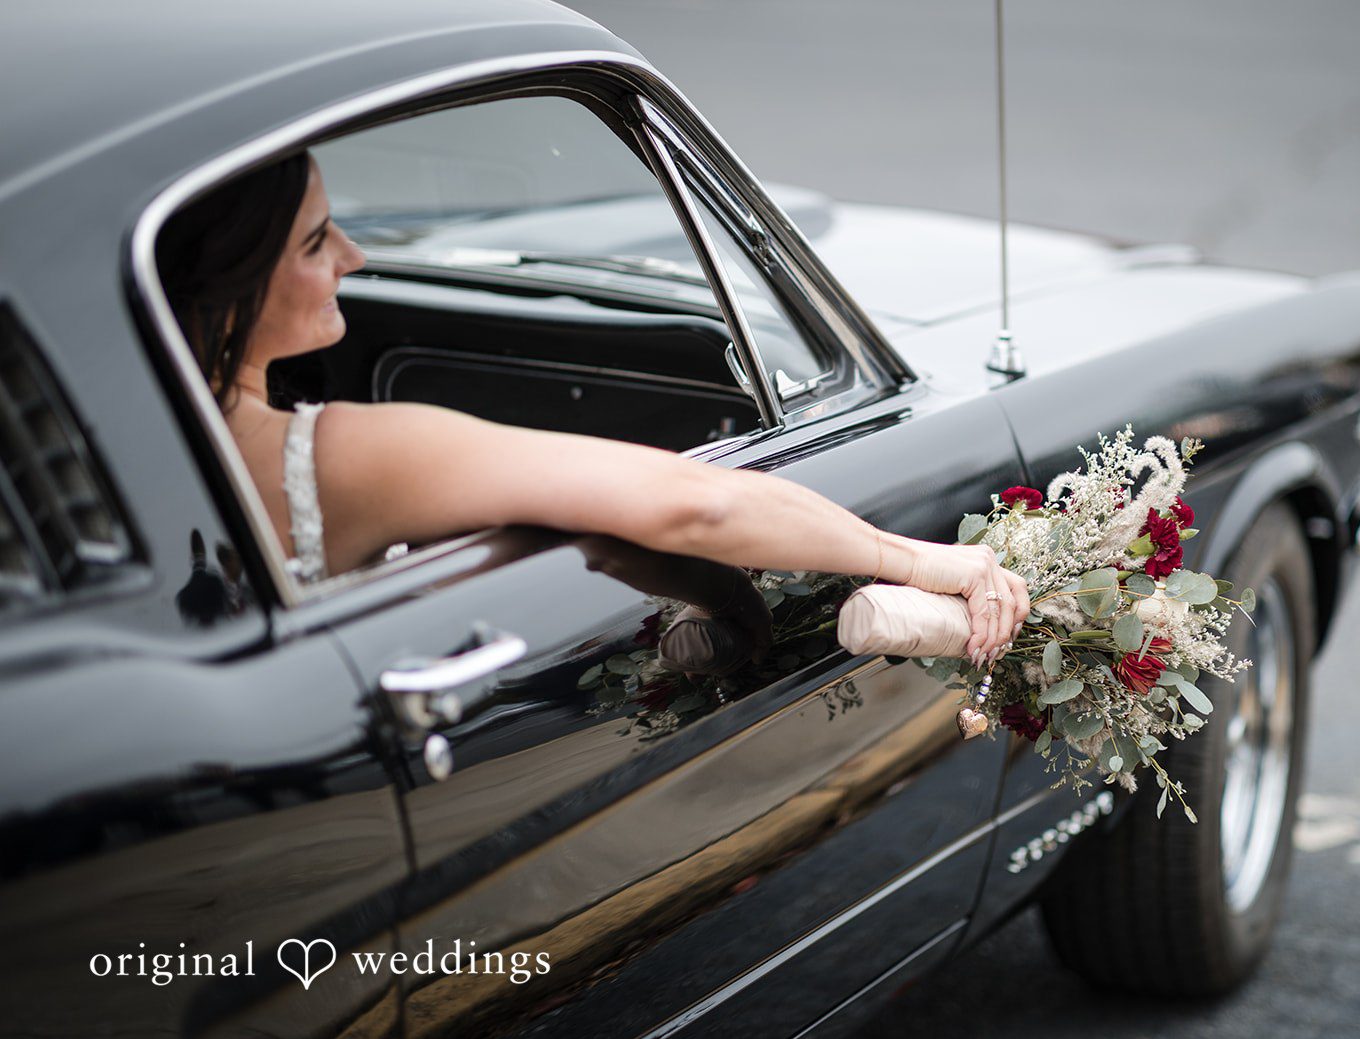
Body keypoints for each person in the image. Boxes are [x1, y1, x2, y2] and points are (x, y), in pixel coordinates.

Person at [155, 150, 1029, 665]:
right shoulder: (339, 456)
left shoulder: (121, 450)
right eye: (316, 240)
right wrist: (917, 559)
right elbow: (694, 503)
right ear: (229, 286)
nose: (353, 256)